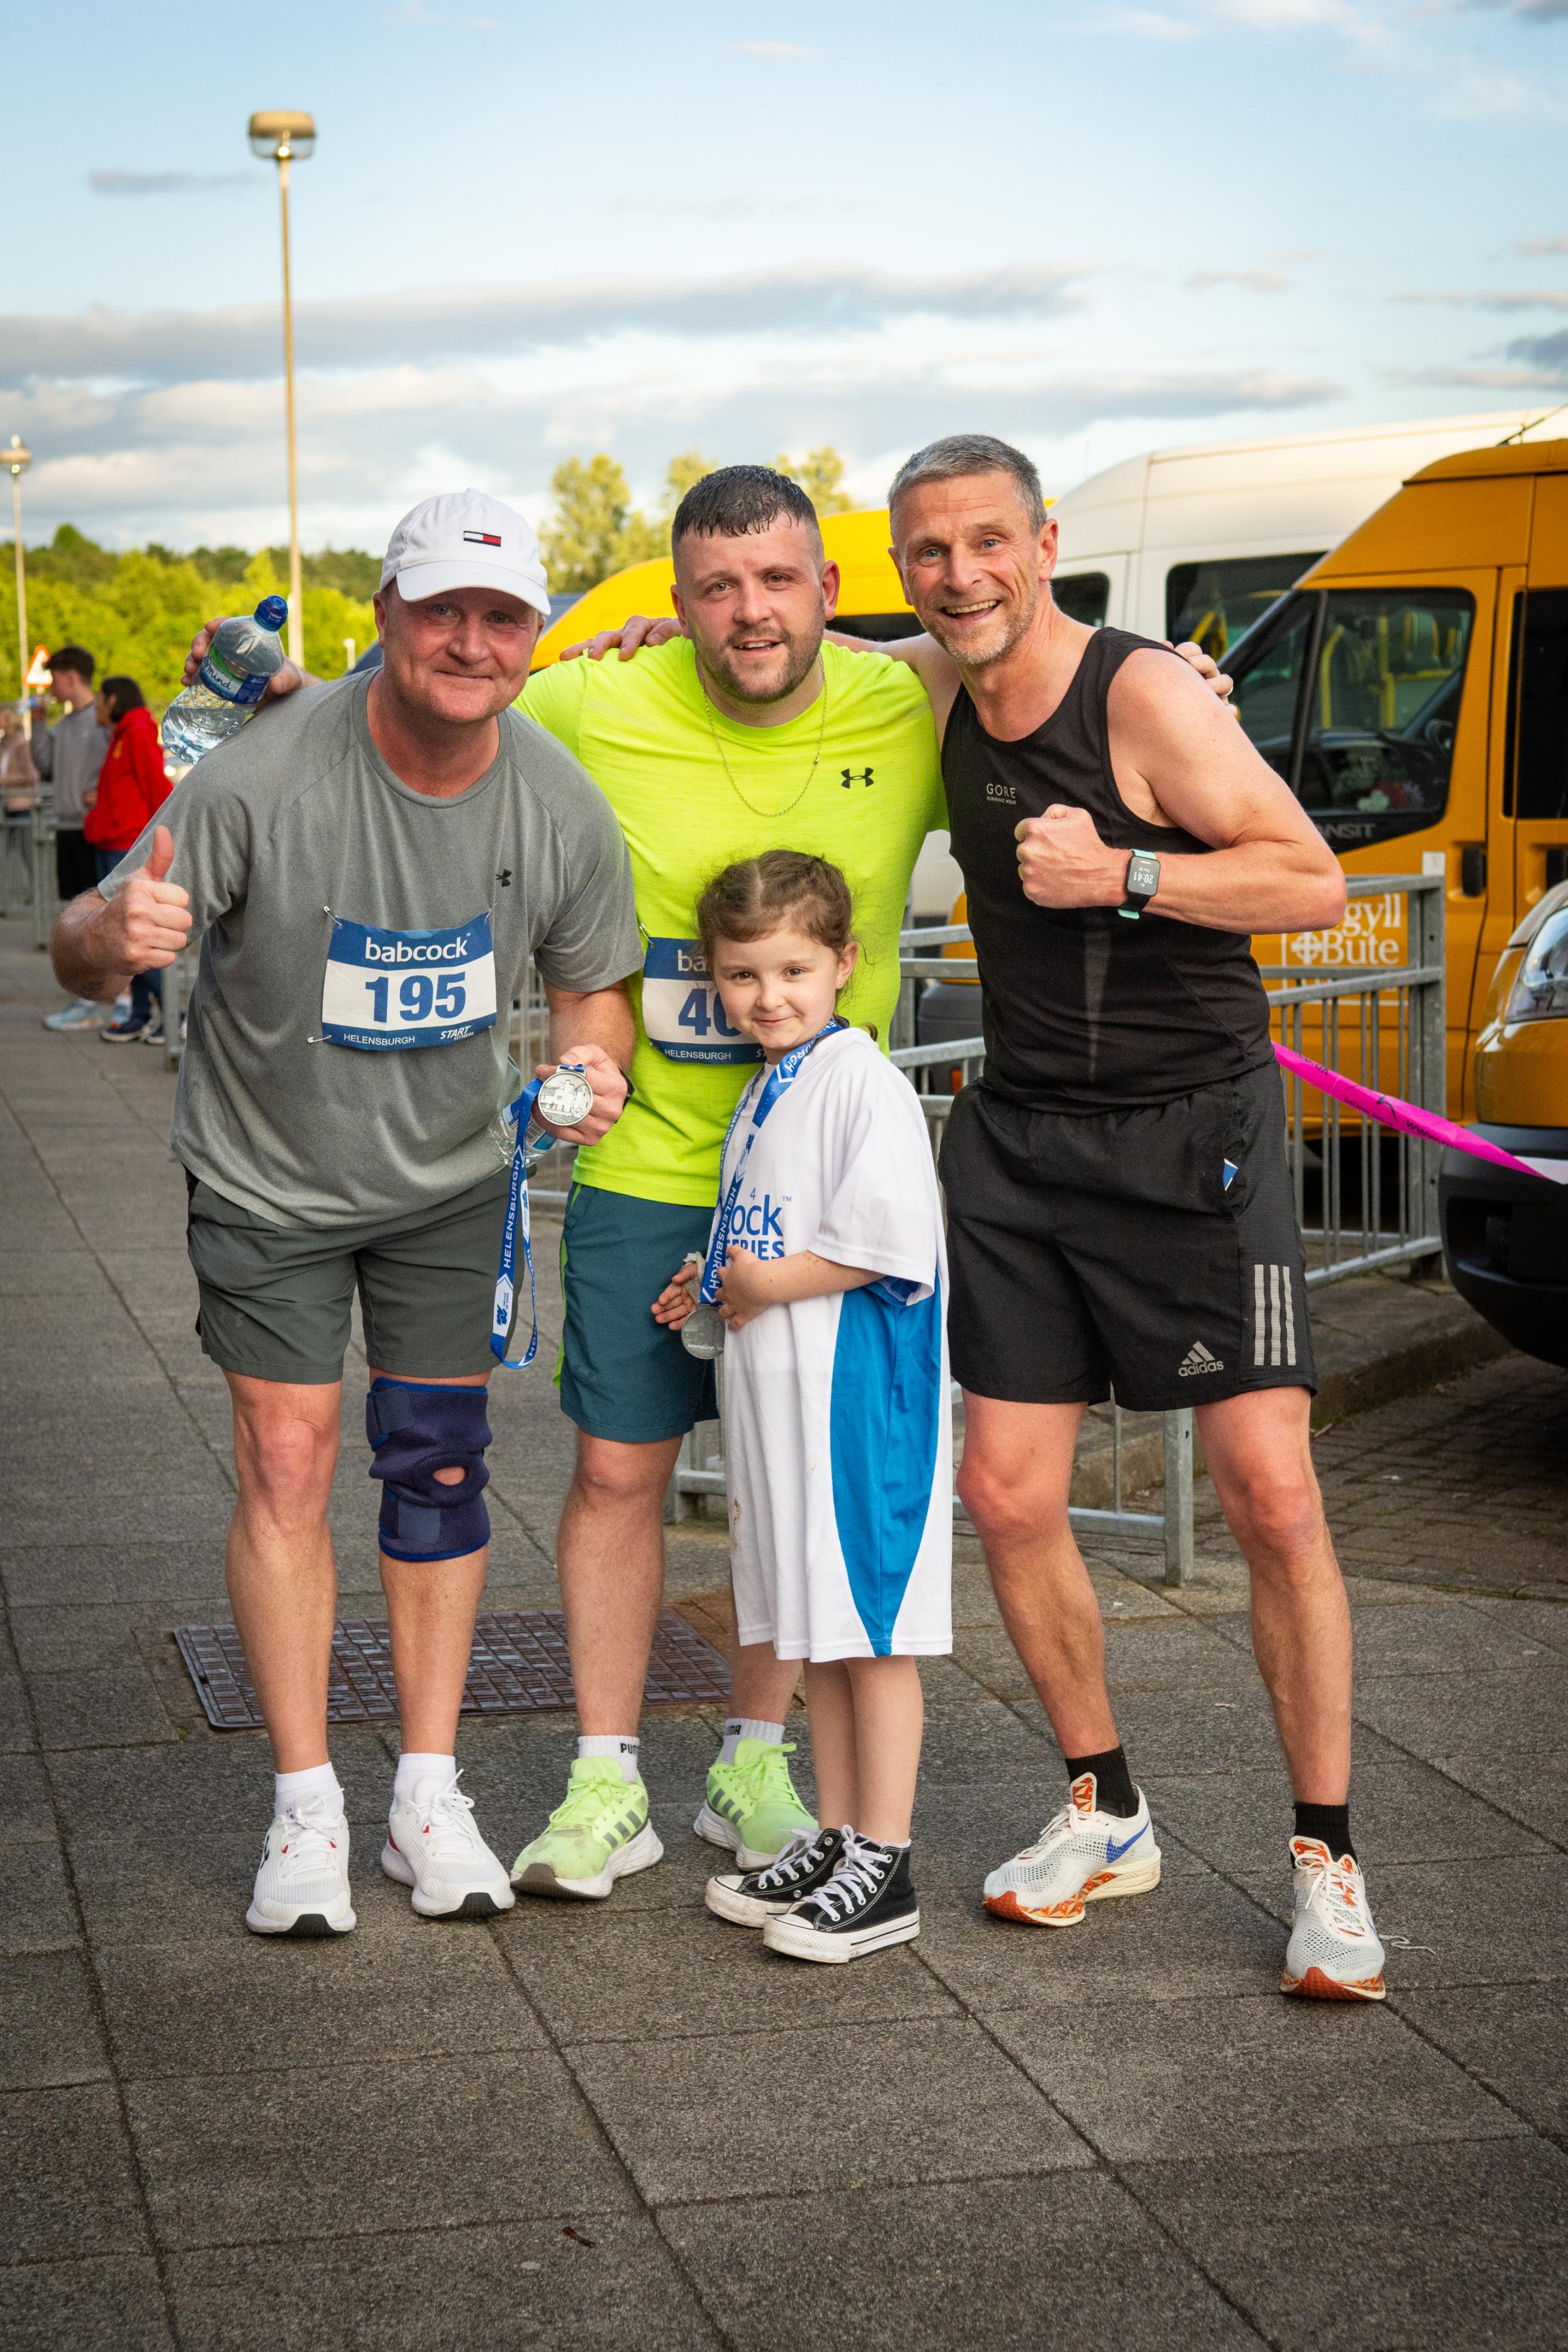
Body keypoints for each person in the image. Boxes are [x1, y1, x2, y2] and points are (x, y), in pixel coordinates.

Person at [182, 466, 1231, 1910]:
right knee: (618, 1471)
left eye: (781, 583)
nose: (752, 614)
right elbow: (433, 691)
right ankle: (608, 1775)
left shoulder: (896, 704)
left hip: (814, 1189)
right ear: (672, 605)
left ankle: (755, 1757)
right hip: (648, 1163)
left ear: (826, 592)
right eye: (719, 588)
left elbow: (1026, 675)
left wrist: (1159, 683)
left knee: (792, 1483)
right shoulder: (589, 702)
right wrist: (283, 685)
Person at [54, 489, 640, 1937]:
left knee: (438, 1468)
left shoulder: (556, 798)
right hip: (270, 1178)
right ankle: (305, 1800)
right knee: (287, 1457)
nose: (470, 639)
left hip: (446, 1183)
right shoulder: (260, 779)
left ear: (530, 640)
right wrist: (100, 939)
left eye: (500, 618)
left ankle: (425, 1794)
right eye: (442, 608)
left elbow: (594, 991)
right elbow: (83, 947)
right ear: (383, 614)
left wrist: (591, 1066)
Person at [847, 433, 1384, 2002]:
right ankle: (1104, 1805)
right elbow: (795, 651)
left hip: (1188, 1139)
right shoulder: (934, 687)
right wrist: (635, 645)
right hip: (1019, 1141)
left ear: (1042, 542)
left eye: (984, 544)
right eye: (927, 553)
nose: (958, 576)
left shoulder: (1139, 692)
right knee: (1004, 1493)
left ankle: (1324, 1859)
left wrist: (1124, 876)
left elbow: (1303, 879)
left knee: (1267, 1491)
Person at [653, 851, 950, 1963]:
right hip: (785, 1407)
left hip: (855, 1409)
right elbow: (769, 1233)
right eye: (741, 974)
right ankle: (834, 1832)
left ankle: (887, 1858)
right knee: (820, 1638)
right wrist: (715, 1273)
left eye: (791, 968)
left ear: (843, 964)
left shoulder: (858, 1079)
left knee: (871, 1638)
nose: (766, 995)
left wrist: (760, 1281)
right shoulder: (773, 1082)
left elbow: (884, 1244)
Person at [83, 677, 173, 1043]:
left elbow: (156, 787)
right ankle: (141, 1013)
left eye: (100, 700)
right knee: (127, 939)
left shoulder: (135, 731)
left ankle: (175, 1014)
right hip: (114, 842)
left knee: (129, 938)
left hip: (127, 846)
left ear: (115, 699)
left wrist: (165, 838)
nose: (96, 707)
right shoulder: (123, 733)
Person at [35, 647, 113, 1032]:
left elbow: (122, 765)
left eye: (54, 677)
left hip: (94, 830)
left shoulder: (103, 721)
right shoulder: (61, 726)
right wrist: (37, 724)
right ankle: (90, 1000)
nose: (50, 686)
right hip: (67, 826)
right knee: (74, 914)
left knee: (96, 916)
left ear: (70, 677)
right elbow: (44, 765)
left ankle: (95, 1001)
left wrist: (103, 791)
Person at [0, 706, 39, 813]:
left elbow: (31, 776)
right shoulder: (4, 745)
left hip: (22, 803)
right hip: (6, 802)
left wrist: (4, 779)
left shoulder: (22, 745)